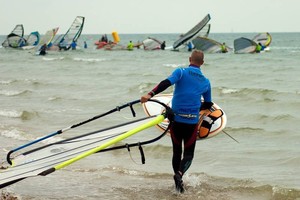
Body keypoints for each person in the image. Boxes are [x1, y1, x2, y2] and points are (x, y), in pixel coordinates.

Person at [140, 50, 212, 193]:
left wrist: (150, 94)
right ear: (202, 63)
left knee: (176, 152)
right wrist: (198, 107)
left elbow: (166, 83)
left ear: (189, 59)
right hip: (191, 123)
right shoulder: (206, 82)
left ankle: (177, 186)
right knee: (189, 155)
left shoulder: (181, 72)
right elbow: (208, 104)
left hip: (176, 120)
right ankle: (179, 175)